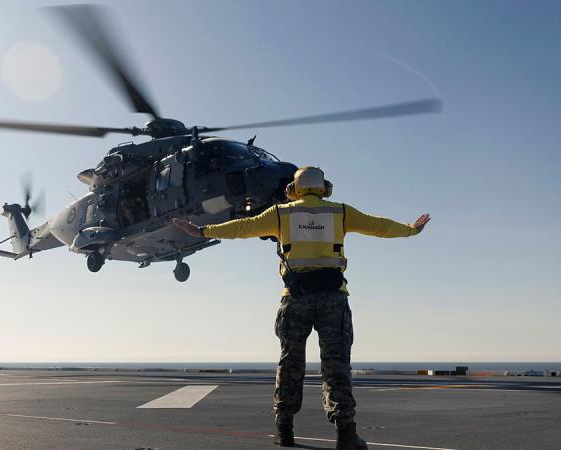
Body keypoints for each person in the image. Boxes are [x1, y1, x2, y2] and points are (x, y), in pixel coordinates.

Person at [173, 167, 430, 450]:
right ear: (324, 188)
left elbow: (242, 227)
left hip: (295, 298)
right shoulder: (340, 212)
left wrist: (202, 230)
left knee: (290, 363)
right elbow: (378, 225)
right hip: (333, 298)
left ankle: (284, 430)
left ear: (293, 189)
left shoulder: (281, 214)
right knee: (336, 365)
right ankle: (345, 433)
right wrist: (410, 230)